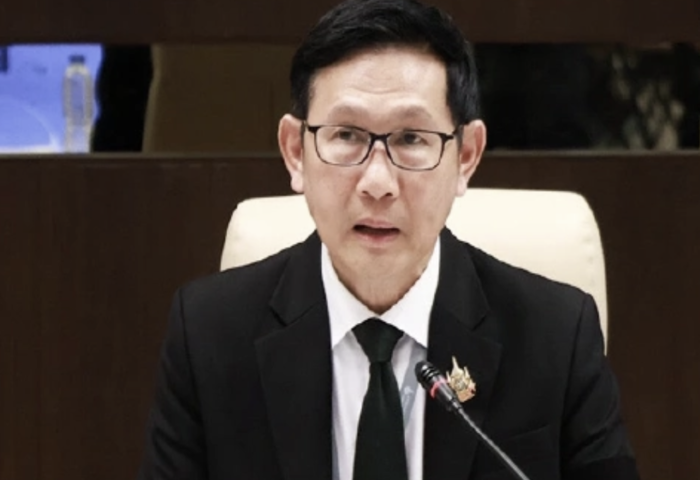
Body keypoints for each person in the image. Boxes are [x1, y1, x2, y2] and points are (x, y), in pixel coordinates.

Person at [137, 0, 640, 479]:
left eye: (411, 139)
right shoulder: (209, 336)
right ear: (295, 152)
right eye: (346, 136)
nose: (377, 182)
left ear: (466, 156)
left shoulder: (556, 337)